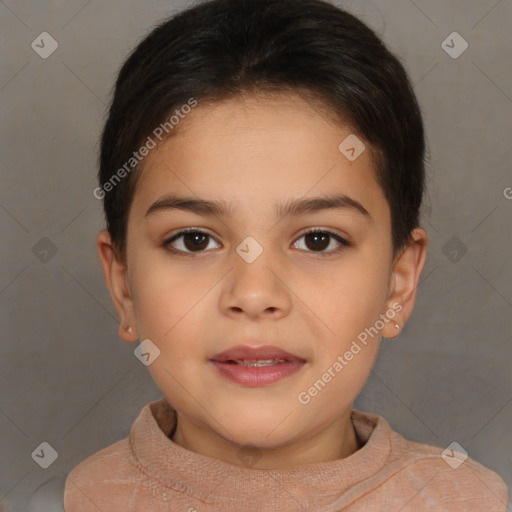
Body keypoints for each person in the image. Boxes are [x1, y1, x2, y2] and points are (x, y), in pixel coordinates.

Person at [63, 0, 509, 510]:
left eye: (318, 240)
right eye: (194, 240)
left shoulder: (464, 499)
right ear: (123, 285)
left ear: (399, 282)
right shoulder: (91, 495)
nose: (254, 295)